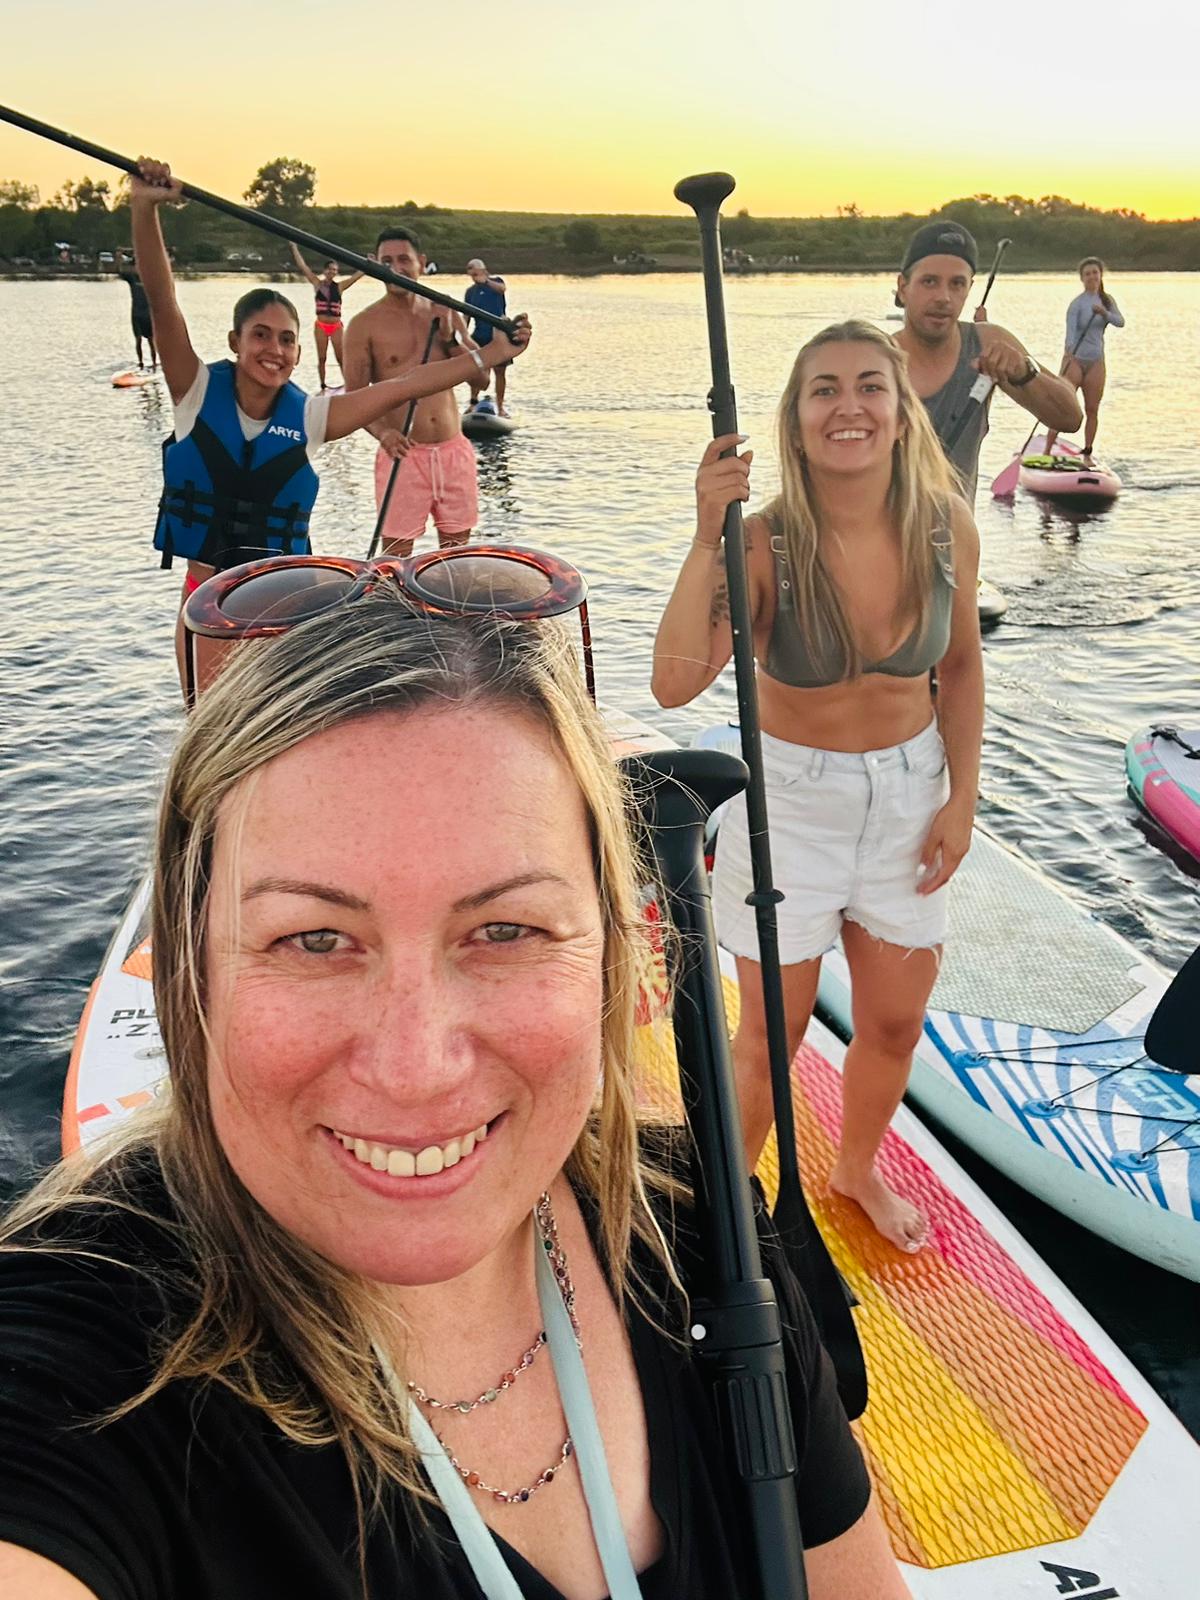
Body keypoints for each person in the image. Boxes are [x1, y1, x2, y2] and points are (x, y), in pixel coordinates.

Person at [0, 576, 908, 1598]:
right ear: (191, 969)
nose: (416, 1061)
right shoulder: (82, 1359)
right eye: (314, 939)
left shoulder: (701, 1234)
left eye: (506, 930)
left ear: (619, 954)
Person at [652, 320, 985, 1253]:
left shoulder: (944, 524)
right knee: (770, 1035)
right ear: (795, 423)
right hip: (790, 807)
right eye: (825, 389)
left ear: (901, 409)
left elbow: (959, 670)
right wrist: (703, 530)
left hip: (912, 794)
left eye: (871, 386)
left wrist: (962, 799)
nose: (850, 406)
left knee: (893, 1019)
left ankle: (856, 1168)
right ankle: (727, 1209)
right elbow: (675, 680)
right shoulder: (761, 545)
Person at [130, 163, 526, 688]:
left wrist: (494, 352)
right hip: (211, 603)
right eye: (260, 336)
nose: (273, 350)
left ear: (298, 351)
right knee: (207, 724)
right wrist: (144, 207)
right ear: (234, 341)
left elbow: (407, 385)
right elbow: (162, 302)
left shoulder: (313, 416)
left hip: (287, 607)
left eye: (287, 339)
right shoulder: (195, 394)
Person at [893, 220, 1082, 502]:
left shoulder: (986, 343)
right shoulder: (875, 360)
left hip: (956, 540)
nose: (944, 297)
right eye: (929, 281)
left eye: (957, 284)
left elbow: (1069, 418)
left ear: (969, 289)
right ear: (903, 287)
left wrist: (1023, 372)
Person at [343, 226, 485, 558]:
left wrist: (450, 339)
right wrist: (384, 434)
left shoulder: (445, 310)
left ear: (421, 262)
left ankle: (450, 611)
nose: (396, 269)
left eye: (404, 259)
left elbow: (482, 382)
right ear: (374, 265)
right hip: (403, 456)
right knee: (395, 559)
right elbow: (353, 400)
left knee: (456, 560)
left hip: (454, 453)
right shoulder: (364, 325)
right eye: (386, 261)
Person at [1044, 257, 1125, 459]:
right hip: (1076, 360)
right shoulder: (1077, 304)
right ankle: (1046, 451)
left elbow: (1120, 322)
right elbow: (1070, 334)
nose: (1092, 277)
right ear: (1082, 278)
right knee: (1062, 407)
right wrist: (1068, 355)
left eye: (1095, 273)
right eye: (1087, 274)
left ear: (1100, 275)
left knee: (1092, 409)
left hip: (1096, 361)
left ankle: (1087, 453)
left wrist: (1104, 313)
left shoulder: (1107, 301)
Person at [288, 241, 364, 390]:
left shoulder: (340, 287)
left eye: (335, 270)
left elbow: (356, 277)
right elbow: (303, 267)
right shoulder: (317, 284)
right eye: (330, 269)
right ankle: (323, 385)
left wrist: (368, 264)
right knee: (322, 358)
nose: (332, 272)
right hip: (321, 326)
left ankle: (348, 384)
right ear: (324, 271)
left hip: (336, 326)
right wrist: (294, 247)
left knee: (341, 358)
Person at [464, 257, 511, 414]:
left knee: (500, 371)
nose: (474, 276)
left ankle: (501, 406)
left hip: (498, 334)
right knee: (476, 370)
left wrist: (486, 281)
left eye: (476, 272)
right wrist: (463, 336)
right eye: (472, 273)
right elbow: (466, 316)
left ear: (483, 271)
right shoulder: (471, 292)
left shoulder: (495, 282)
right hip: (480, 334)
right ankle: (473, 402)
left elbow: (502, 289)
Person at [117, 250, 156, 369]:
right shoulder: (132, 278)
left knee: (151, 340)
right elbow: (120, 272)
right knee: (138, 340)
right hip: (136, 314)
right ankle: (141, 362)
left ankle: (154, 363)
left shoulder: (149, 278)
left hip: (147, 315)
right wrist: (119, 259)